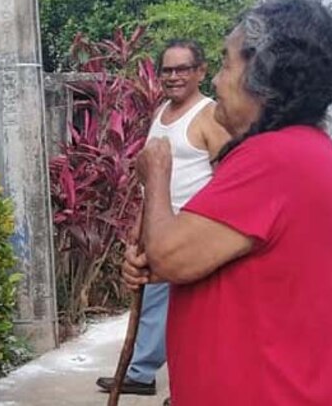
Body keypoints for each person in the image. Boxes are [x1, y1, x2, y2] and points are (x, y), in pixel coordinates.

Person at [123, 0, 332, 405]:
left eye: (227, 64)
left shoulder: (275, 159)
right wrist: (158, 263)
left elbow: (171, 257)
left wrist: (157, 176)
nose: (216, 81)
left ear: (262, 74)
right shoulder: (302, 153)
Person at [96, 39, 229, 398]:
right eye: (167, 70)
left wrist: (209, 231)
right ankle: (143, 372)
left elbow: (228, 179)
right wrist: (138, 229)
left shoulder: (209, 116)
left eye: (182, 69)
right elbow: (151, 179)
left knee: (195, 318)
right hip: (159, 229)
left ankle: (188, 386)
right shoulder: (161, 114)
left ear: (201, 71)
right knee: (156, 307)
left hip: (193, 234)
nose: (173, 77)